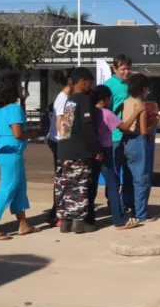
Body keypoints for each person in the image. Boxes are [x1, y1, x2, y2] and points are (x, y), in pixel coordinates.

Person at [0, 73, 39, 240]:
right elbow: (17, 133)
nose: (22, 88)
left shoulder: (0, 110)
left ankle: (23, 224)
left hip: (6, 152)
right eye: (19, 85)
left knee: (19, 188)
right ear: (12, 89)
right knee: (7, 189)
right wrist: (32, 133)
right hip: (11, 153)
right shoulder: (15, 109)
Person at [89, 85, 143, 230]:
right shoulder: (106, 114)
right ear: (105, 99)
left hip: (91, 151)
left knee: (92, 184)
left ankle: (89, 217)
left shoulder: (91, 111)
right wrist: (136, 112)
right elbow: (124, 126)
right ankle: (119, 219)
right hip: (105, 151)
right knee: (113, 185)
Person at [55, 68, 100, 234]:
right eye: (89, 83)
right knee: (80, 185)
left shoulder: (69, 100)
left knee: (65, 187)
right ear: (83, 82)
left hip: (64, 149)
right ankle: (79, 223)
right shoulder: (84, 99)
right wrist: (95, 148)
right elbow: (87, 126)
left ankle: (65, 222)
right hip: (79, 150)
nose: (90, 86)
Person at [119, 73, 158, 224]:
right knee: (141, 179)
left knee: (128, 178)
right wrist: (153, 124)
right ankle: (141, 213)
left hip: (125, 142)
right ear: (144, 89)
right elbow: (143, 130)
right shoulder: (140, 105)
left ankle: (122, 207)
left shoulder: (126, 102)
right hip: (137, 142)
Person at [104, 55, 134, 214]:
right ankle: (114, 205)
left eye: (129, 69)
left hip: (130, 135)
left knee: (129, 172)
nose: (127, 72)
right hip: (114, 136)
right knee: (114, 173)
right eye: (123, 69)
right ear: (114, 69)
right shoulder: (108, 86)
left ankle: (126, 202)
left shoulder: (131, 84)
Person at [46, 69, 73, 223]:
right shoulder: (63, 99)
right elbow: (59, 124)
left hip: (57, 142)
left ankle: (57, 212)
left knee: (62, 179)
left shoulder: (64, 97)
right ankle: (55, 214)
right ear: (71, 81)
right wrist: (68, 140)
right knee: (62, 179)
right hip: (59, 143)